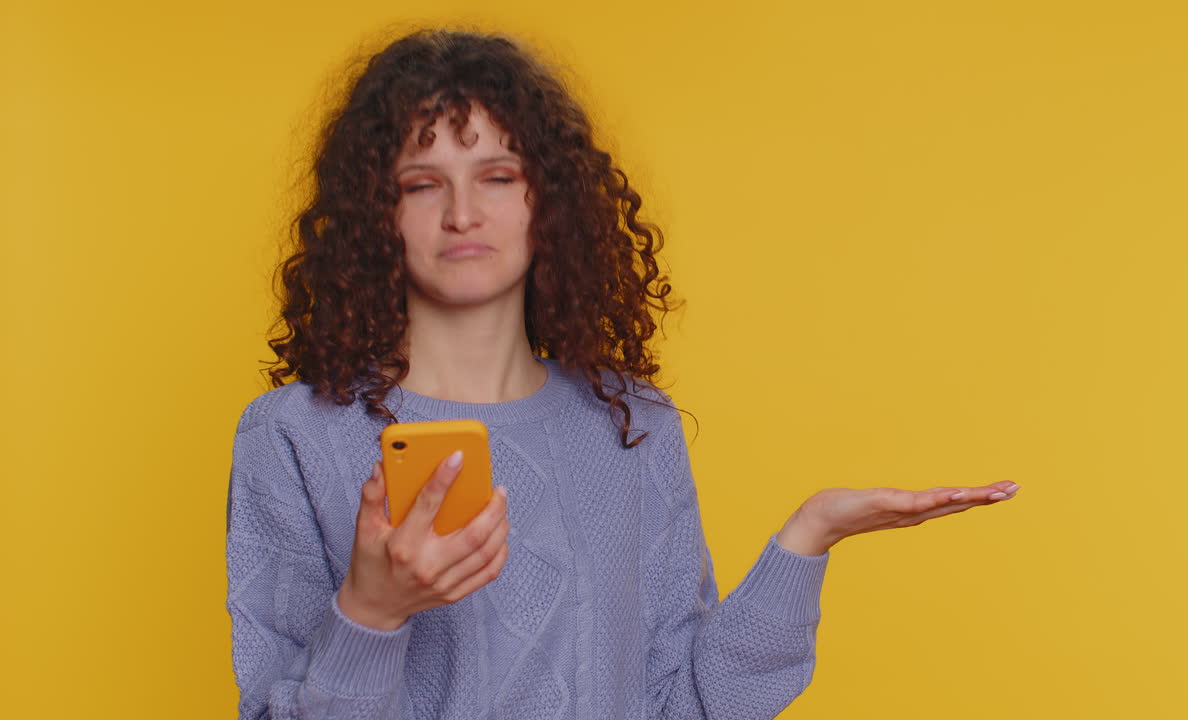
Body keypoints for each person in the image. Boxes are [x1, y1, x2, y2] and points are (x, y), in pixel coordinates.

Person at [225, 28, 1020, 720]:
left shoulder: (630, 429)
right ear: (376, 214)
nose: (462, 213)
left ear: (552, 200)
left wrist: (807, 537)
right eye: (421, 183)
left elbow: (688, 705)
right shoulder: (294, 437)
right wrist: (373, 612)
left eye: (498, 176)